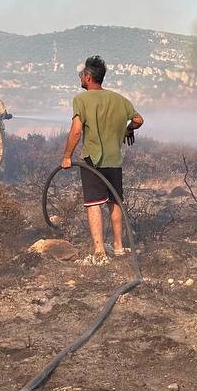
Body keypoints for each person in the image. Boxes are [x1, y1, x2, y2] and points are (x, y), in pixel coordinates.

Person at [60, 55, 143, 263]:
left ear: (88, 77)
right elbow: (138, 120)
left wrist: (67, 157)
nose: (80, 77)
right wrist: (128, 129)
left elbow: (76, 131)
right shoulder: (119, 99)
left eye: (81, 74)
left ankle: (99, 251)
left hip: (92, 160)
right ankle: (118, 246)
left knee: (93, 203)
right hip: (115, 160)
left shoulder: (81, 99)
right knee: (115, 202)